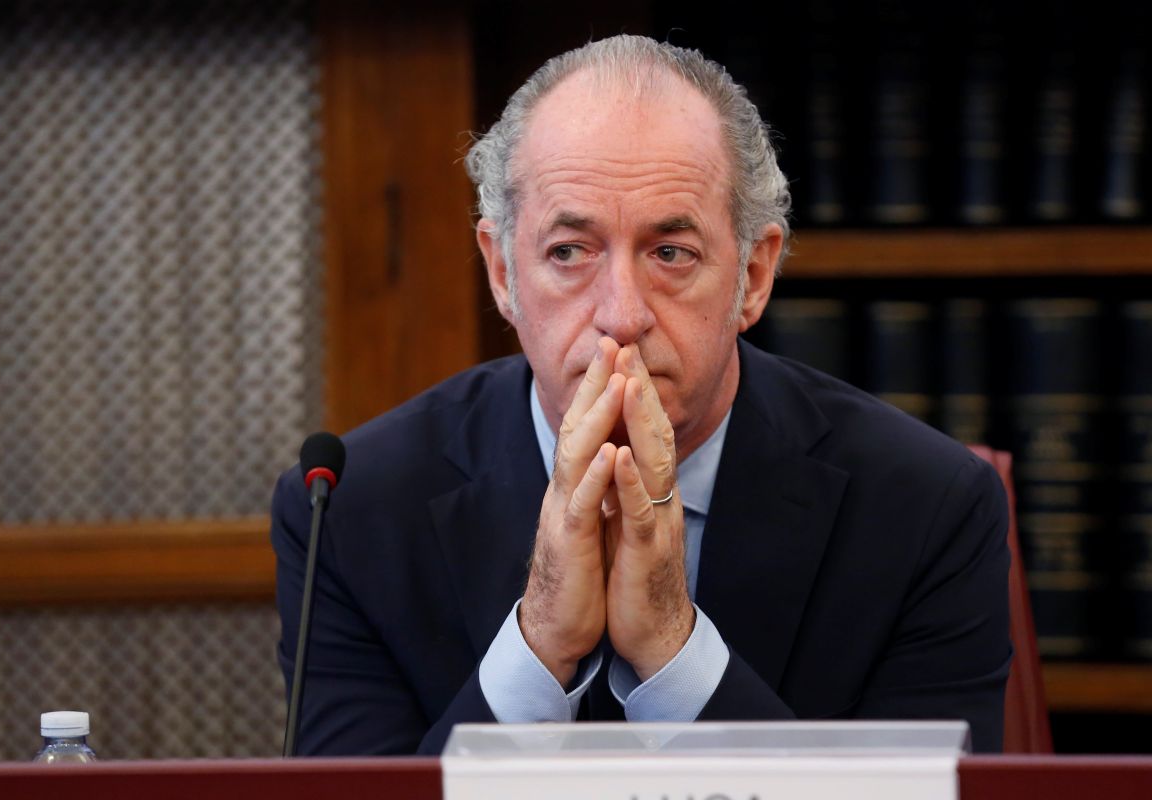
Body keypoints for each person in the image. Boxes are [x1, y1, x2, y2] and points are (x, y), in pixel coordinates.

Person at [271, 35, 1011, 756]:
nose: (622, 315)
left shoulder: (927, 506)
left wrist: (670, 647)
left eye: (670, 253)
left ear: (753, 276)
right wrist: (540, 641)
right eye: (569, 252)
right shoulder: (348, 508)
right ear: (503, 274)